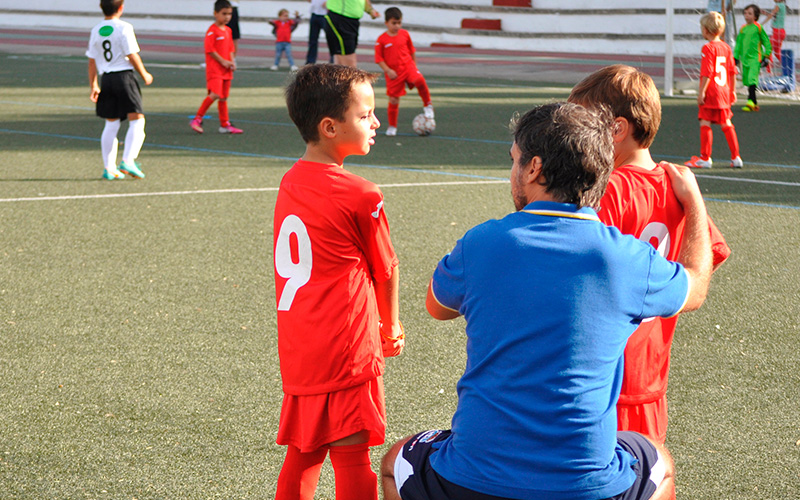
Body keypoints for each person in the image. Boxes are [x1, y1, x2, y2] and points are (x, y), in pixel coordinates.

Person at [381, 101, 713, 500]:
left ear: (534, 168)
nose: (512, 173)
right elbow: (696, 288)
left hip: (474, 480)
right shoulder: (628, 258)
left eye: (515, 160)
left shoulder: (482, 241)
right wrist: (694, 201)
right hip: (590, 487)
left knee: (395, 460)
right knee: (659, 460)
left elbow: (437, 307)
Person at [568, 65, 731, 445]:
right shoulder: (676, 184)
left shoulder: (603, 191)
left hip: (595, 378)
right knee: (645, 478)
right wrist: (694, 203)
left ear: (617, 130)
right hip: (649, 379)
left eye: (582, 126)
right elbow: (708, 260)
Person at [274, 64, 404, 500]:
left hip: (300, 341)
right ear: (330, 127)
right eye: (366, 115)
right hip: (347, 342)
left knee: (303, 453)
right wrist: (391, 326)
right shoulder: (361, 192)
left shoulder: (290, 180)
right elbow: (386, 268)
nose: (376, 122)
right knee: (352, 456)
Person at [86, 0, 153, 180]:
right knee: (137, 120)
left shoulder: (96, 30)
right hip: (124, 77)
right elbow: (132, 54)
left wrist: (94, 84)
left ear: (101, 8)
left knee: (111, 122)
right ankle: (128, 161)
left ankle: (109, 168)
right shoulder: (124, 27)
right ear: (121, 8)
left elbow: (92, 60)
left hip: (106, 78)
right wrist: (144, 74)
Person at [684, 12, 743, 169]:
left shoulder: (708, 47)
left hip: (711, 92)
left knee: (705, 122)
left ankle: (705, 158)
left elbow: (707, 72)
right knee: (726, 123)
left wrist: (702, 91)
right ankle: (736, 157)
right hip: (724, 91)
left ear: (706, 30)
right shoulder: (726, 47)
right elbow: (732, 71)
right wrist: (733, 91)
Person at [374, 7, 434, 137]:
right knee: (394, 99)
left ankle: (428, 105)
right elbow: (379, 59)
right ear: (386, 23)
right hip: (393, 73)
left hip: (408, 67)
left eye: (399, 23)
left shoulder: (405, 34)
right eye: (394, 23)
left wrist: (414, 67)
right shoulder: (382, 39)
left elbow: (412, 51)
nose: (397, 26)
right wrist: (388, 70)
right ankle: (392, 126)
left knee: (419, 80)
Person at [190, 0, 243, 134]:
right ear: (215, 13)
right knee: (215, 94)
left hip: (226, 70)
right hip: (215, 70)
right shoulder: (212, 31)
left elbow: (231, 48)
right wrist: (223, 61)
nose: (227, 17)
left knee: (224, 97)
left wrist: (232, 61)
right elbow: (210, 50)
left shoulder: (228, 30)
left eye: (229, 14)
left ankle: (224, 124)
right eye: (223, 13)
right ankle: (197, 119)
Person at [734, 4, 771, 112]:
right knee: (746, 80)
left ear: (755, 16)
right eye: (745, 13)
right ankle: (754, 103)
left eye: (749, 13)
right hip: (744, 59)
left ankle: (750, 101)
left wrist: (766, 56)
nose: (746, 15)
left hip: (755, 58)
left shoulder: (758, 28)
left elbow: (766, 42)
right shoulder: (743, 29)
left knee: (751, 79)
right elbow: (739, 44)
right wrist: (735, 57)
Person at [323, 0, 381, 67]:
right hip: (340, 18)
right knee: (349, 63)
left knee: (341, 62)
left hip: (353, 21)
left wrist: (370, 10)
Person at [305, 0, 332, 64]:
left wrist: (329, 3)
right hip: (314, 14)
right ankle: (310, 61)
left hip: (325, 15)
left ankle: (333, 59)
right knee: (312, 40)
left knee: (331, 39)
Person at [763, 0, 786, 73]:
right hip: (781, 32)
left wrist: (761, 24)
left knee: (768, 48)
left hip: (777, 32)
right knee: (776, 51)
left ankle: (769, 71)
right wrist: (765, 13)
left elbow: (771, 15)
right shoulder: (782, 5)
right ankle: (786, 66)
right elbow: (775, 16)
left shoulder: (778, 5)